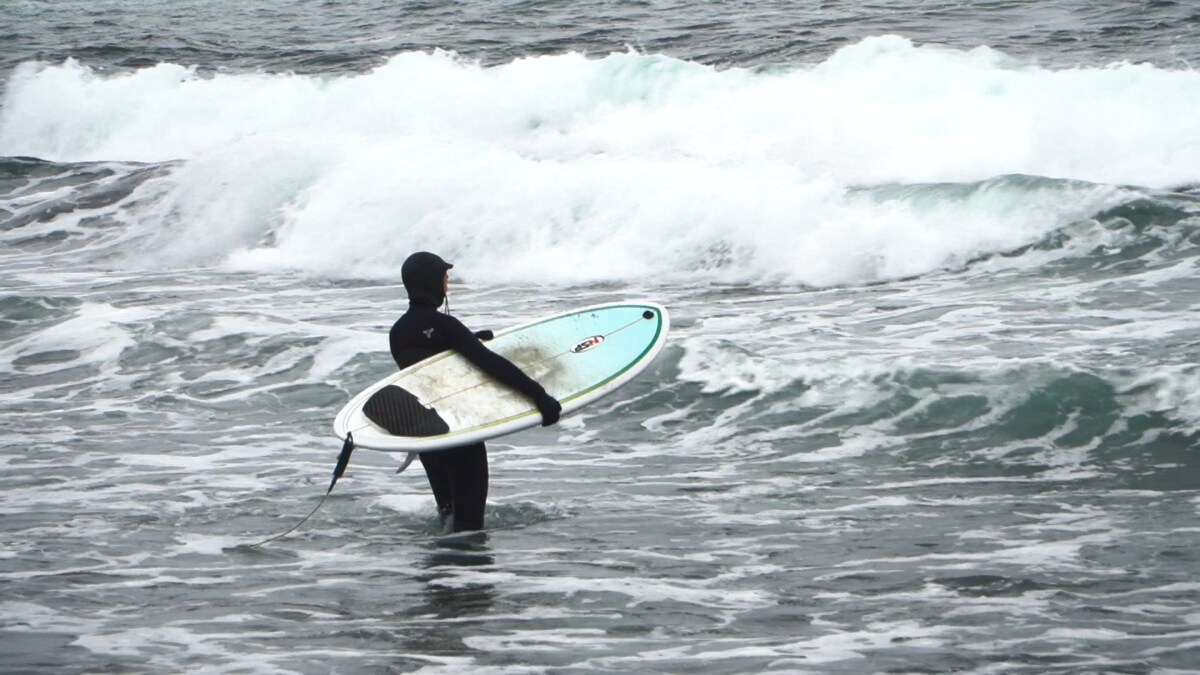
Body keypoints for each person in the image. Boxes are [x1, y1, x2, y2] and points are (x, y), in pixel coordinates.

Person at [389, 251, 561, 532]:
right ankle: (470, 575)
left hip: (426, 436)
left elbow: (427, 366)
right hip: (459, 434)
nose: (447, 284)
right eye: (444, 278)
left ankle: (441, 574)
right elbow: (491, 365)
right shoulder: (446, 326)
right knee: (469, 527)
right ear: (433, 282)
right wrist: (538, 395)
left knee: (448, 518)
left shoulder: (398, 331)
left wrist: (466, 341)